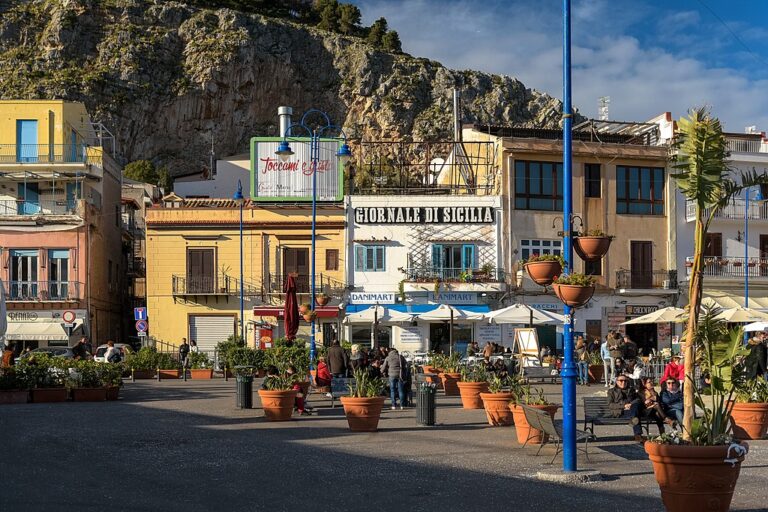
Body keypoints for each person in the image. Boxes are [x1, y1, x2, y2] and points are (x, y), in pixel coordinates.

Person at [607, 375, 645, 442]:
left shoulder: (631, 390)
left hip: (632, 409)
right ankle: (638, 435)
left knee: (635, 408)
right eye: (621, 381)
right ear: (617, 382)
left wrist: (630, 404)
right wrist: (624, 406)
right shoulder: (611, 391)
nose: (623, 382)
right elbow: (610, 405)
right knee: (635, 415)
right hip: (620, 412)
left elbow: (637, 399)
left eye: (625, 381)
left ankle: (637, 433)